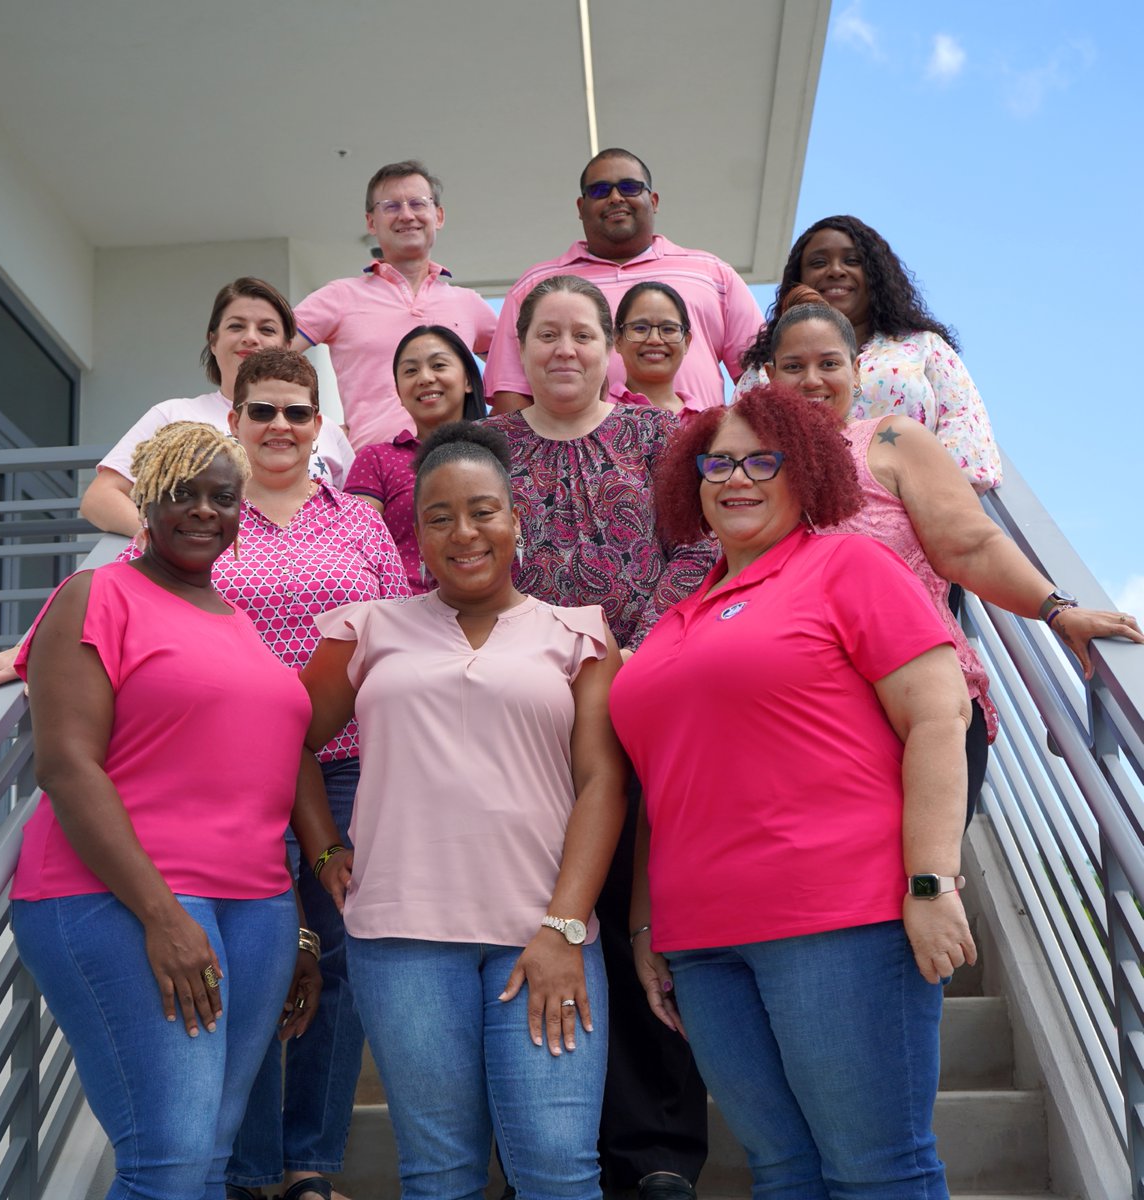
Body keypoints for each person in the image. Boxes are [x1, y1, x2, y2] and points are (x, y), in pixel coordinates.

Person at [610, 383, 977, 1197]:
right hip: (702, 942)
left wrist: (931, 881)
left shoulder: (850, 565)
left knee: (876, 1170)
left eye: (761, 461)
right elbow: (662, 783)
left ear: (806, 469)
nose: (735, 479)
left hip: (837, 920)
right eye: (717, 464)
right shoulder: (676, 619)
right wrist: (645, 921)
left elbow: (939, 717)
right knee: (780, 1174)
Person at [9, 421, 349, 1199]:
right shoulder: (97, 595)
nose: (203, 511)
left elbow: (258, 784)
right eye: (181, 494)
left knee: (208, 1157)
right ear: (147, 503)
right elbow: (66, 765)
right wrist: (162, 916)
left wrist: (298, 927)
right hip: (124, 899)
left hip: (256, 909)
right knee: (169, 1158)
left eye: (221, 498)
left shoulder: (239, 623)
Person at [299, 422, 627, 1200]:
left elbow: (602, 783)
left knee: (558, 1169)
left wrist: (564, 927)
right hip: (402, 939)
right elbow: (288, 743)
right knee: (440, 1174)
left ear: (516, 518)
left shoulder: (579, 635)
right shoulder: (366, 629)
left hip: (543, 932)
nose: (464, 533)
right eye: (439, 517)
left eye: (483, 511)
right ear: (418, 534)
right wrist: (324, 849)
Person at [110, 351, 409, 1200]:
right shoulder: (199, 514)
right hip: (226, 771)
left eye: (297, 412)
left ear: (321, 427)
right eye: (263, 410)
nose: (280, 425)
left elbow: (396, 632)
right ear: (233, 420)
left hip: (345, 769)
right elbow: (125, 595)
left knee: (339, 960)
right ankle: (245, 1169)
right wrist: (27, 650)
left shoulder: (359, 524)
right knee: (245, 963)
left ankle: (310, 1162)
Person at [488, 274, 713, 1200]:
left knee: (636, 921)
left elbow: (702, 545)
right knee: (540, 920)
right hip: (530, 718)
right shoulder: (489, 448)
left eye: (583, 333)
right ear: (520, 349)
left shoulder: (661, 438)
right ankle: (543, 1148)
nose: (565, 350)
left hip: (642, 700)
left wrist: (630, 652)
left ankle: (657, 1153)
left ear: (610, 347)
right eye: (546, 334)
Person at [763, 284, 1144, 820]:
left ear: (857, 370)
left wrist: (1058, 610)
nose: (811, 381)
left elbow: (970, 545)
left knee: (922, 873)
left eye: (829, 363)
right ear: (769, 376)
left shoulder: (892, 441)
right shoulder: (746, 469)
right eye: (792, 366)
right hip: (791, 722)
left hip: (922, 716)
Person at [484, 148, 763, 414]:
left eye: (630, 187)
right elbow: (511, 393)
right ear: (581, 207)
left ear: (653, 201)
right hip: (577, 448)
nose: (616, 197)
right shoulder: (536, 285)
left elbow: (759, 379)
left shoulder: (714, 274)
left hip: (700, 444)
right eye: (600, 190)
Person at [742, 215, 1001, 491]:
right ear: (799, 280)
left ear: (875, 274)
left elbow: (965, 433)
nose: (835, 270)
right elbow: (739, 450)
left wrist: (923, 503)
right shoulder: (764, 368)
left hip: (918, 506)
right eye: (818, 263)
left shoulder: (924, 346)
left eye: (852, 261)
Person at [81, 277, 353, 535]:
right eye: (236, 326)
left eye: (267, 329)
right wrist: (163, 542)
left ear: (287, 345)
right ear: (213, 341)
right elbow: (101, 497)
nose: (251, 337)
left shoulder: (326, 430)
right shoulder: (173, 415)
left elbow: (357, 516)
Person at [292, 160, 496, 452]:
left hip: (458, 463)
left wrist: (497, 429)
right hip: (371, 470)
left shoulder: (469, 304)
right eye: (391, 206)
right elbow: (268, 361)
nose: (407, 215)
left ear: (438, 215)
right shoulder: (339, 297)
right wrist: (320, 430)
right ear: (371, 222)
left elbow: (519, 374)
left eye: (418, 203)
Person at [344, 325, 487, 594]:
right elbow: (354, 547)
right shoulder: (377, 460)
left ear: (468, 380)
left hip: (494, 607)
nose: (425, 378)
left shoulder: (505, 448)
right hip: (404, 609)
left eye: (438, 365)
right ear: (399, 393)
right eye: (411, 371)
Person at [613, 281, 703, 422]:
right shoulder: (595, 412)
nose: (654, 340)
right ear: (618, 340)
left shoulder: (706, 421)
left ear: (686, 342)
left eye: (668, 329)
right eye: (640, 328)